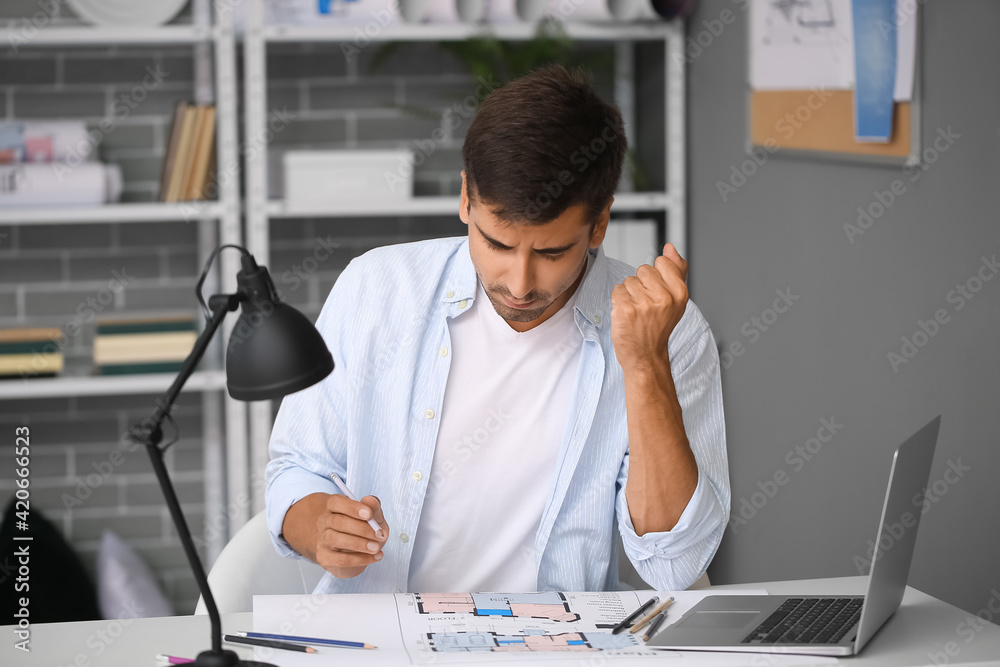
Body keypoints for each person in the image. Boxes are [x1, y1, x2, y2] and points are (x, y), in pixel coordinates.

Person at [265, 64, 730, 595]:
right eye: (497, 244)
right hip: (381, 639)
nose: (520, 283)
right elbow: (297, 470)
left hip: (559, 647)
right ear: (466, 199)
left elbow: (676, 565)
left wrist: (645, 364)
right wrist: (318, 528)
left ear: (600, 223)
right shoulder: (377, 290)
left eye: (552, 252)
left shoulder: (669, 330)